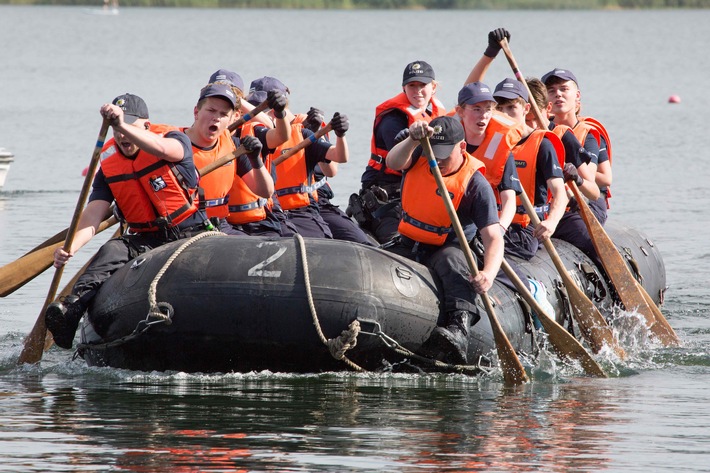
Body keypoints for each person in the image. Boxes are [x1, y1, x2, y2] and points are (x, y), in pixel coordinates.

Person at [45, 93, 215, 349]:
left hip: (189, 232)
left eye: (130, 127)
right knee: (112, 249)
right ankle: (71, 310)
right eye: (117, 130)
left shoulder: (175, 140)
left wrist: (120, 123)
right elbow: (93, 215)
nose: (123, 136)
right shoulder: (108, 167)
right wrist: (69, 249)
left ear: (146, 126)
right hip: (145, 239)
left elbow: (162, 150)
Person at [384, 116, 504, 365]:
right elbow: (392, 161)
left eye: (444, 153)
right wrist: (412, 139)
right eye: (434, 152)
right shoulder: (419, 154)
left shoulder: (476, 184)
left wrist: (489, 274)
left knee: (452, 263)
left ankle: (459, 329)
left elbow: (493, 236)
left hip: (448, 245)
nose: (437, 159)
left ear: (462, 147)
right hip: (409, 241)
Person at [350, 60, 447, 244]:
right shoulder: (392, 120)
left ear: (433, 87)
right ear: (404, 88)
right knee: (399, 241)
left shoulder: (435, 112)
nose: (417, 91)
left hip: (420, 188)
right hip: (387, 190)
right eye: (412, 85)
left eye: (422, 85)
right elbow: (404, 163)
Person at [248, 76, 351, 239]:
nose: (262, 113)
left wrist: (338, 135)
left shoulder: (306, 128)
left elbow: (332, 169)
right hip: (272, 208)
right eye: (256, 107)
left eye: (268, 107)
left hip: (311, 203)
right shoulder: (254, 133)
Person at [183, 82, 276, 236]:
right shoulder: (175, 145)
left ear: (233, 118)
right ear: (196, 112)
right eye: (211, 110)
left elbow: (266, 191)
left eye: (223, 114)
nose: (216, 118)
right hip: (184, 228)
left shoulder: (235, 147)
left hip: (220, 225)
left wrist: (255, 160)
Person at [541, 68, 611, 260]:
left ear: (577, 96)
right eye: (552, 90)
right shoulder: (539, 131)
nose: (558, 95)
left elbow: (602, 179)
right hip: (555, 199)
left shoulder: (587, 134)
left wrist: (566, 172)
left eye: (564, 89)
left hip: (586, 200)